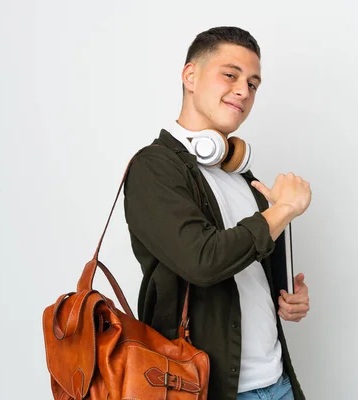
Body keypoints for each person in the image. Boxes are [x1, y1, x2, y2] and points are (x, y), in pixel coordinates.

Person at [123, 26, 312, 400]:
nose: (244, 90)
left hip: (278, 382)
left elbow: (248, 270)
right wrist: (283, 211)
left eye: (253, 84)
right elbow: (203, 261)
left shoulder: (241, 176)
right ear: (190, 76)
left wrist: (288, 293)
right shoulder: (154, 168)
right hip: (206, 390)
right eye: (230, 74)